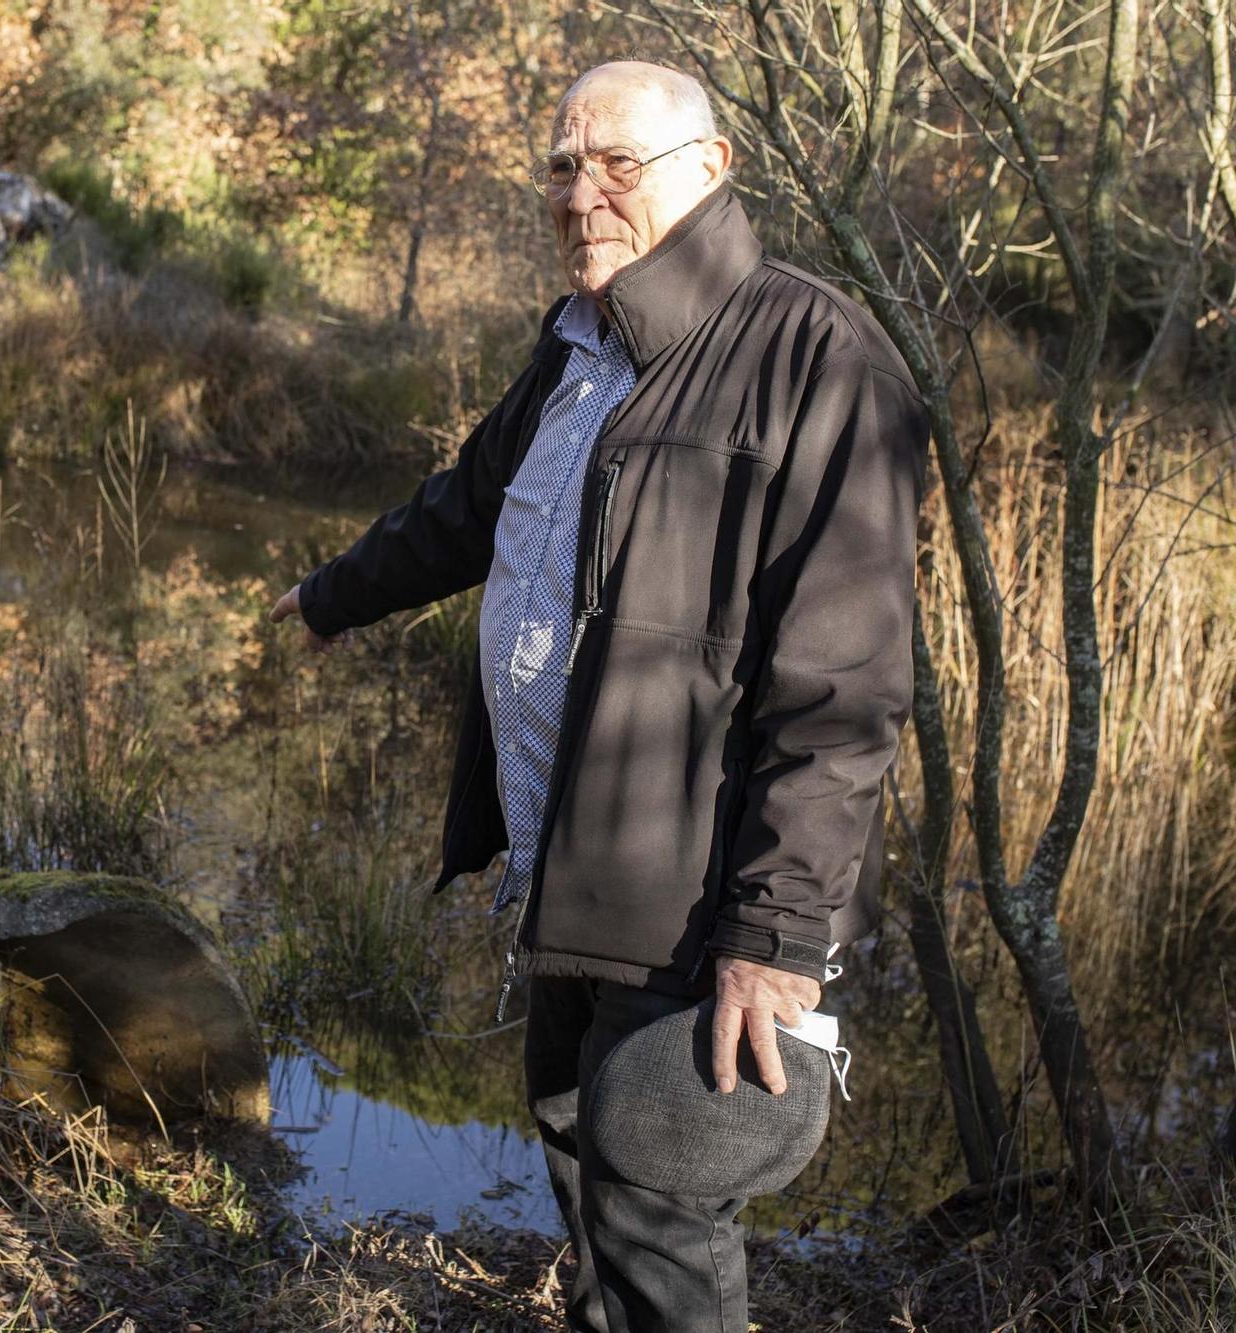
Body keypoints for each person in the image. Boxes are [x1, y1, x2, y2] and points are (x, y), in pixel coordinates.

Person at [269, 60, 927, 1333]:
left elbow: (841, 692)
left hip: (692, 891)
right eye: (561, 166)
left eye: (616, 162)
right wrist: (331, 598)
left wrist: (775, 940)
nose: (581, 192)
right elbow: (471, 505)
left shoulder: (817, 361)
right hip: (571, 862)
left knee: (658, 1201)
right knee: (577, 1139)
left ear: (712, 166)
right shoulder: (580, 339)